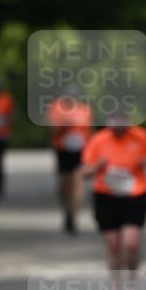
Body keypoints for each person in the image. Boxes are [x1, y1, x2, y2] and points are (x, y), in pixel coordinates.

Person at [81, 113, 146, 290]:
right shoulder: (98, 140)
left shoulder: (140, 136)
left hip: (135, 193)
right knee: (113, 246)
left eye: (122, 123)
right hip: (106, 195)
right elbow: (84, 172)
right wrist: (98, 166)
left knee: (131, 244)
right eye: (114, 123)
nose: (119, 127)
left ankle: (132, 283)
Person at [46, 88, 93, 233]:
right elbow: (52, 131)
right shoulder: (56, 109)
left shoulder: (85, 110)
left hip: (80, 149)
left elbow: (90, 130)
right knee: (65, 184)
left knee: (77, 181)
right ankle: (67, 209)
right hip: (63, 149)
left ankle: (73, 215)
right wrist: (64, 126)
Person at [0, 80, 15, 198]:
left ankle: (0, 188)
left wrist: (7, 126)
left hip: (1, 135)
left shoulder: (6, 99)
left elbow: (12, 115)